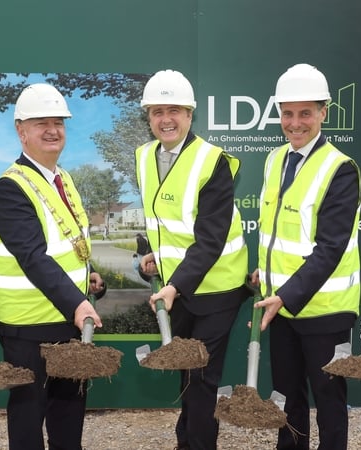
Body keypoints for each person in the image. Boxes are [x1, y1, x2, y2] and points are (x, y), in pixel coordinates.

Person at [134, 69, 250, 450]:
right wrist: (152, 254)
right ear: (148, 117)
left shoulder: (212, 161)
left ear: (190, 114)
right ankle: (189, 439)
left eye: (174, 111)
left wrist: (174, 285)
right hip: (178, 288)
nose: (165, 119)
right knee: (188, 373)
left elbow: (211, 238)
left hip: (217, 287)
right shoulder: (144, 156)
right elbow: (160, 219)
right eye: (156, 112)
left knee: (202, 376)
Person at [0, 83, 106, 450]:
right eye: (41, 123)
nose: (52, 130)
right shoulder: (11, 187)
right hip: (29, 328)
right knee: (28, 417)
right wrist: (77, 303)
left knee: (68, 413)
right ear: (21, 131)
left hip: (67, 321)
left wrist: (89, 275)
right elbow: (33, 257)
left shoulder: (62, 178)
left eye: (58, 122)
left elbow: (68, 243)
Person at [250, 63, 361, 450]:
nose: (295, 123)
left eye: (305, 113)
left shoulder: (340, 169)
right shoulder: (274, 159)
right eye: (287, 113)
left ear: (323, 113)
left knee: (329, 400)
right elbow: (274, 231)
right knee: (287, 396)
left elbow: (330, 248)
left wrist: (285, 295)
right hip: (280, 307)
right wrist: (263, 275)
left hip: (325, 310)